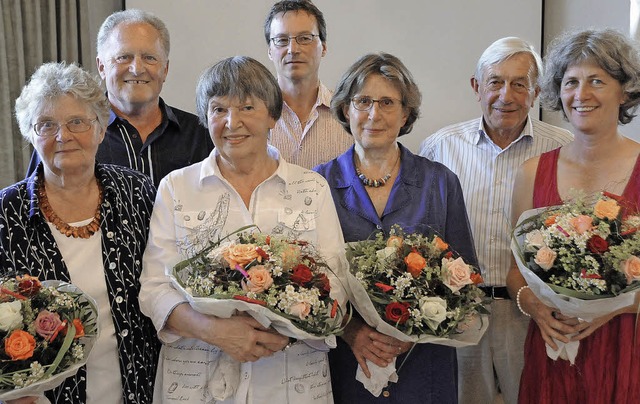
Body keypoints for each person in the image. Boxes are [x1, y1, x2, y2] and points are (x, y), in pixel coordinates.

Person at [138, 56, 348, 403]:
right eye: (218, 109)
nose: (232, 122)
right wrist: (216, 330)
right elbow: (155, 288)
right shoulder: (177, 187)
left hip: (291, 379)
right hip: (196, 380)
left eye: (247, 107)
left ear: (272, 116)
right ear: (206, 119)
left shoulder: (311, 188)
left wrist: (287, 332)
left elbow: (337, 284)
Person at [315, 52, 478, 403]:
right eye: (363, 101)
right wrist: (352, 332)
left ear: (405, 113)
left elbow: (467, 280)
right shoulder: (317, 184)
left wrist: (415, 330)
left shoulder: (440, 183)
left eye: (387, 102)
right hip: (346, 364)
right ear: (345, 109)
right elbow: (311, 283)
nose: (374, 115)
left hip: (423, 366)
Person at [419, 37, 573, 404]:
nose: (507, 95)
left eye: (520, 84)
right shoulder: (440, 148)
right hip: (458, 313)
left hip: (531, 314)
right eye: (495, 82)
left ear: (535, 92)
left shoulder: (562, 149)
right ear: (476, 87)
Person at [0, 62, 159, 403]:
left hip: (140, 389)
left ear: (101, 129)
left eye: (77, 122)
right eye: (46, 125)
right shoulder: (5, 212)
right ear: (30, 134)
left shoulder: (137, 192)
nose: (63, 136)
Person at [506, 28, 640, 404]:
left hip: (627, 348)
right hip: (553, 348)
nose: (581, 95)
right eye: (571, 82)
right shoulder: (532, 173)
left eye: (596, 80)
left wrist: (616, 307)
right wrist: (534, 306)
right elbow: (516, 270)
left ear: (625, 89)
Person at [26, 9, 213, 185]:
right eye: (124, 57)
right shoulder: (68, 137)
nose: (137, 69)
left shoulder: (201, 135)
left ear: (165, 69)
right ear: (101, 67)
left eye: (149, 58)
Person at [264, 0, 352, 169]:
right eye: (282, 40)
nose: (293, 49)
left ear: (324, 47)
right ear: (269, 50)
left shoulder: (349, 115)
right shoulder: (250, 117)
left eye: (304, 38)